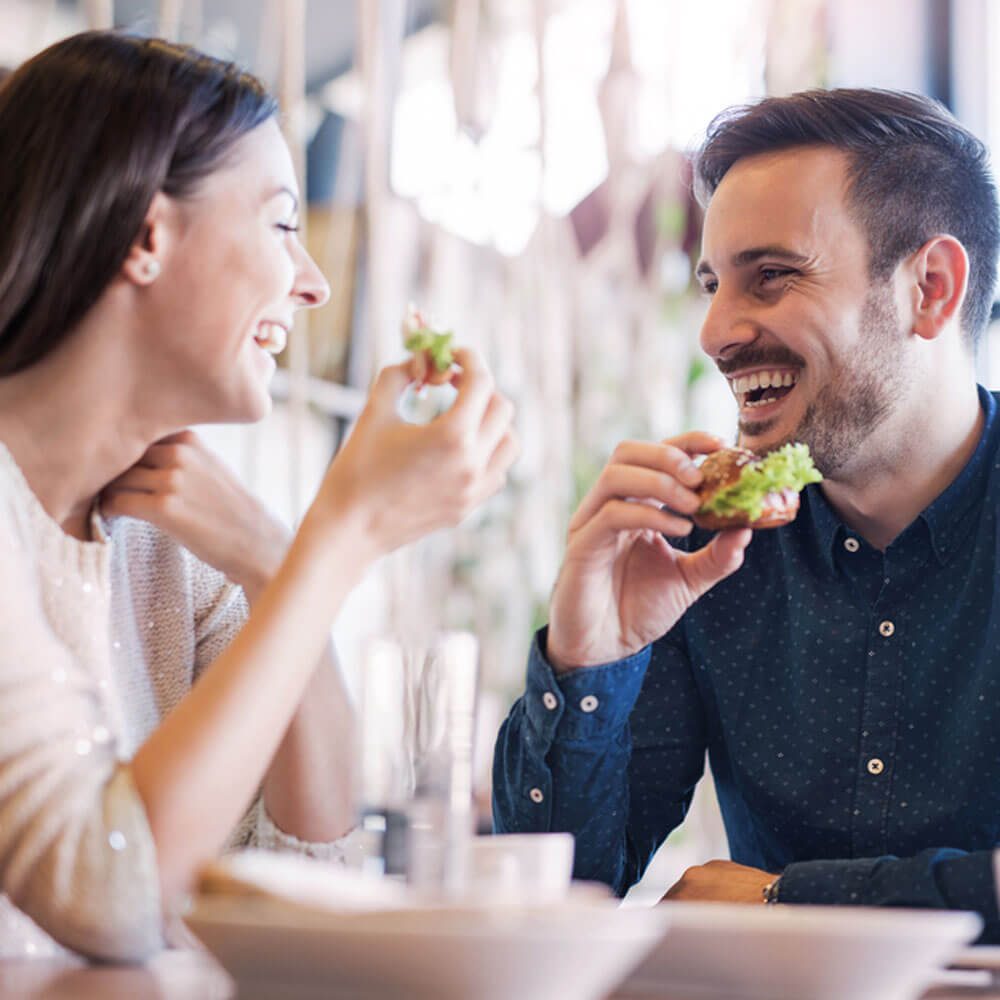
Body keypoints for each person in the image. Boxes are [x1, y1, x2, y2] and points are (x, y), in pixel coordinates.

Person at [0, 32, 517, 961]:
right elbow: (109, 894)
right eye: (282, 223)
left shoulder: (166, 544)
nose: (313, 282)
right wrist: (339, 538)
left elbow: (307, 872)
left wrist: (282, 564)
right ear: (146, 237)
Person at [493, 87, 1000, 939]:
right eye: (711, 285)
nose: (716, 332)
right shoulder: (698, 552)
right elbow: (555, 904)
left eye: (772, 276)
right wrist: (588, 662)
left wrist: (792, 900)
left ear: (932, 289)